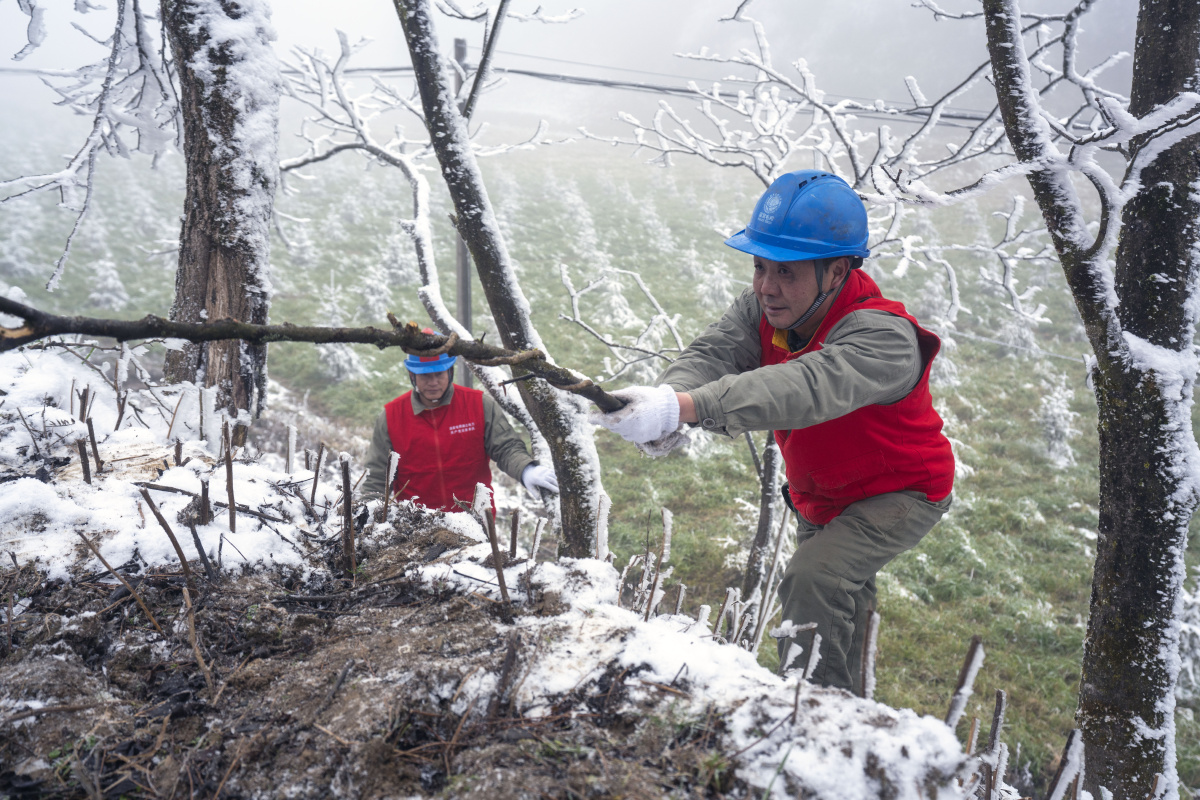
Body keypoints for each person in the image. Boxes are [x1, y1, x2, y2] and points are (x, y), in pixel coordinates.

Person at [589, 170, 955, 694]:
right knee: (840, 601)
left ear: (836, 271)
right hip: (823, 492)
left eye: (786, 271)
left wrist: (685, 408)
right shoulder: (767, 308)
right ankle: (851, 709)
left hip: (899, 491)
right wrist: (670, 399)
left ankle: (807, 713)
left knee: (815, 580)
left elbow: (803, 387)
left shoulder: (883, 337)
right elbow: (715, 353)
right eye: (760, 266)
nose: (766, 286)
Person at [362, 339, 558, 514]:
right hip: (415, 524)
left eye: (439, 374)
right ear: (412, 375)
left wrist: (525, 469)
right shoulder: (392, 416)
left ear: (450, 371)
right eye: (425, 376)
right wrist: (366, 513)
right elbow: (377, 475)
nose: (433, 382)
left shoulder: (478, 405)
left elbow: (506, 448)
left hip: (473, 520)